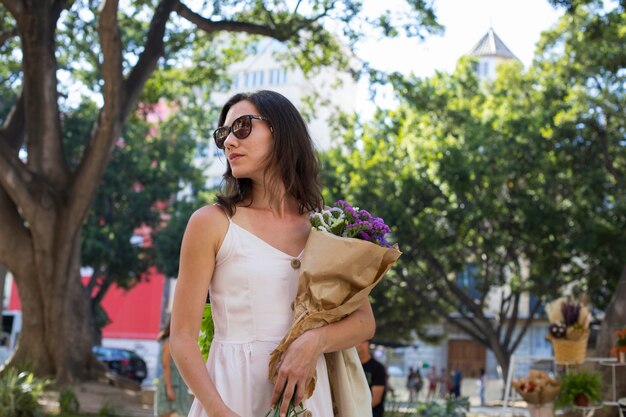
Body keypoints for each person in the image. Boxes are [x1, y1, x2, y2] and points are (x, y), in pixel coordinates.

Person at [170, 90, 376, 417]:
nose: (229, 143)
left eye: (241, 128)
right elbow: (181, 337)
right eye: (223, 135)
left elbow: (364, 322)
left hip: (309, 396)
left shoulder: (325, 225)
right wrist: (219, 411)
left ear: (279, 130)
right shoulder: (212, 222)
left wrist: (313, 343)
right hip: (231, 396)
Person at [154, 320, 192, 417]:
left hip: (178, 385)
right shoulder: (169, 342)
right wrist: (169, 388)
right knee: (168, 413)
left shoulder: (177, 341)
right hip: (171, 384)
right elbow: (166, 365)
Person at [356, 340, 387, 417]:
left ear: (368, 344)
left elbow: (376, 399)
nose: (359, 344)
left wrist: (358, 412)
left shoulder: (377, 368)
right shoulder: (349, 367)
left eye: (363, 341)